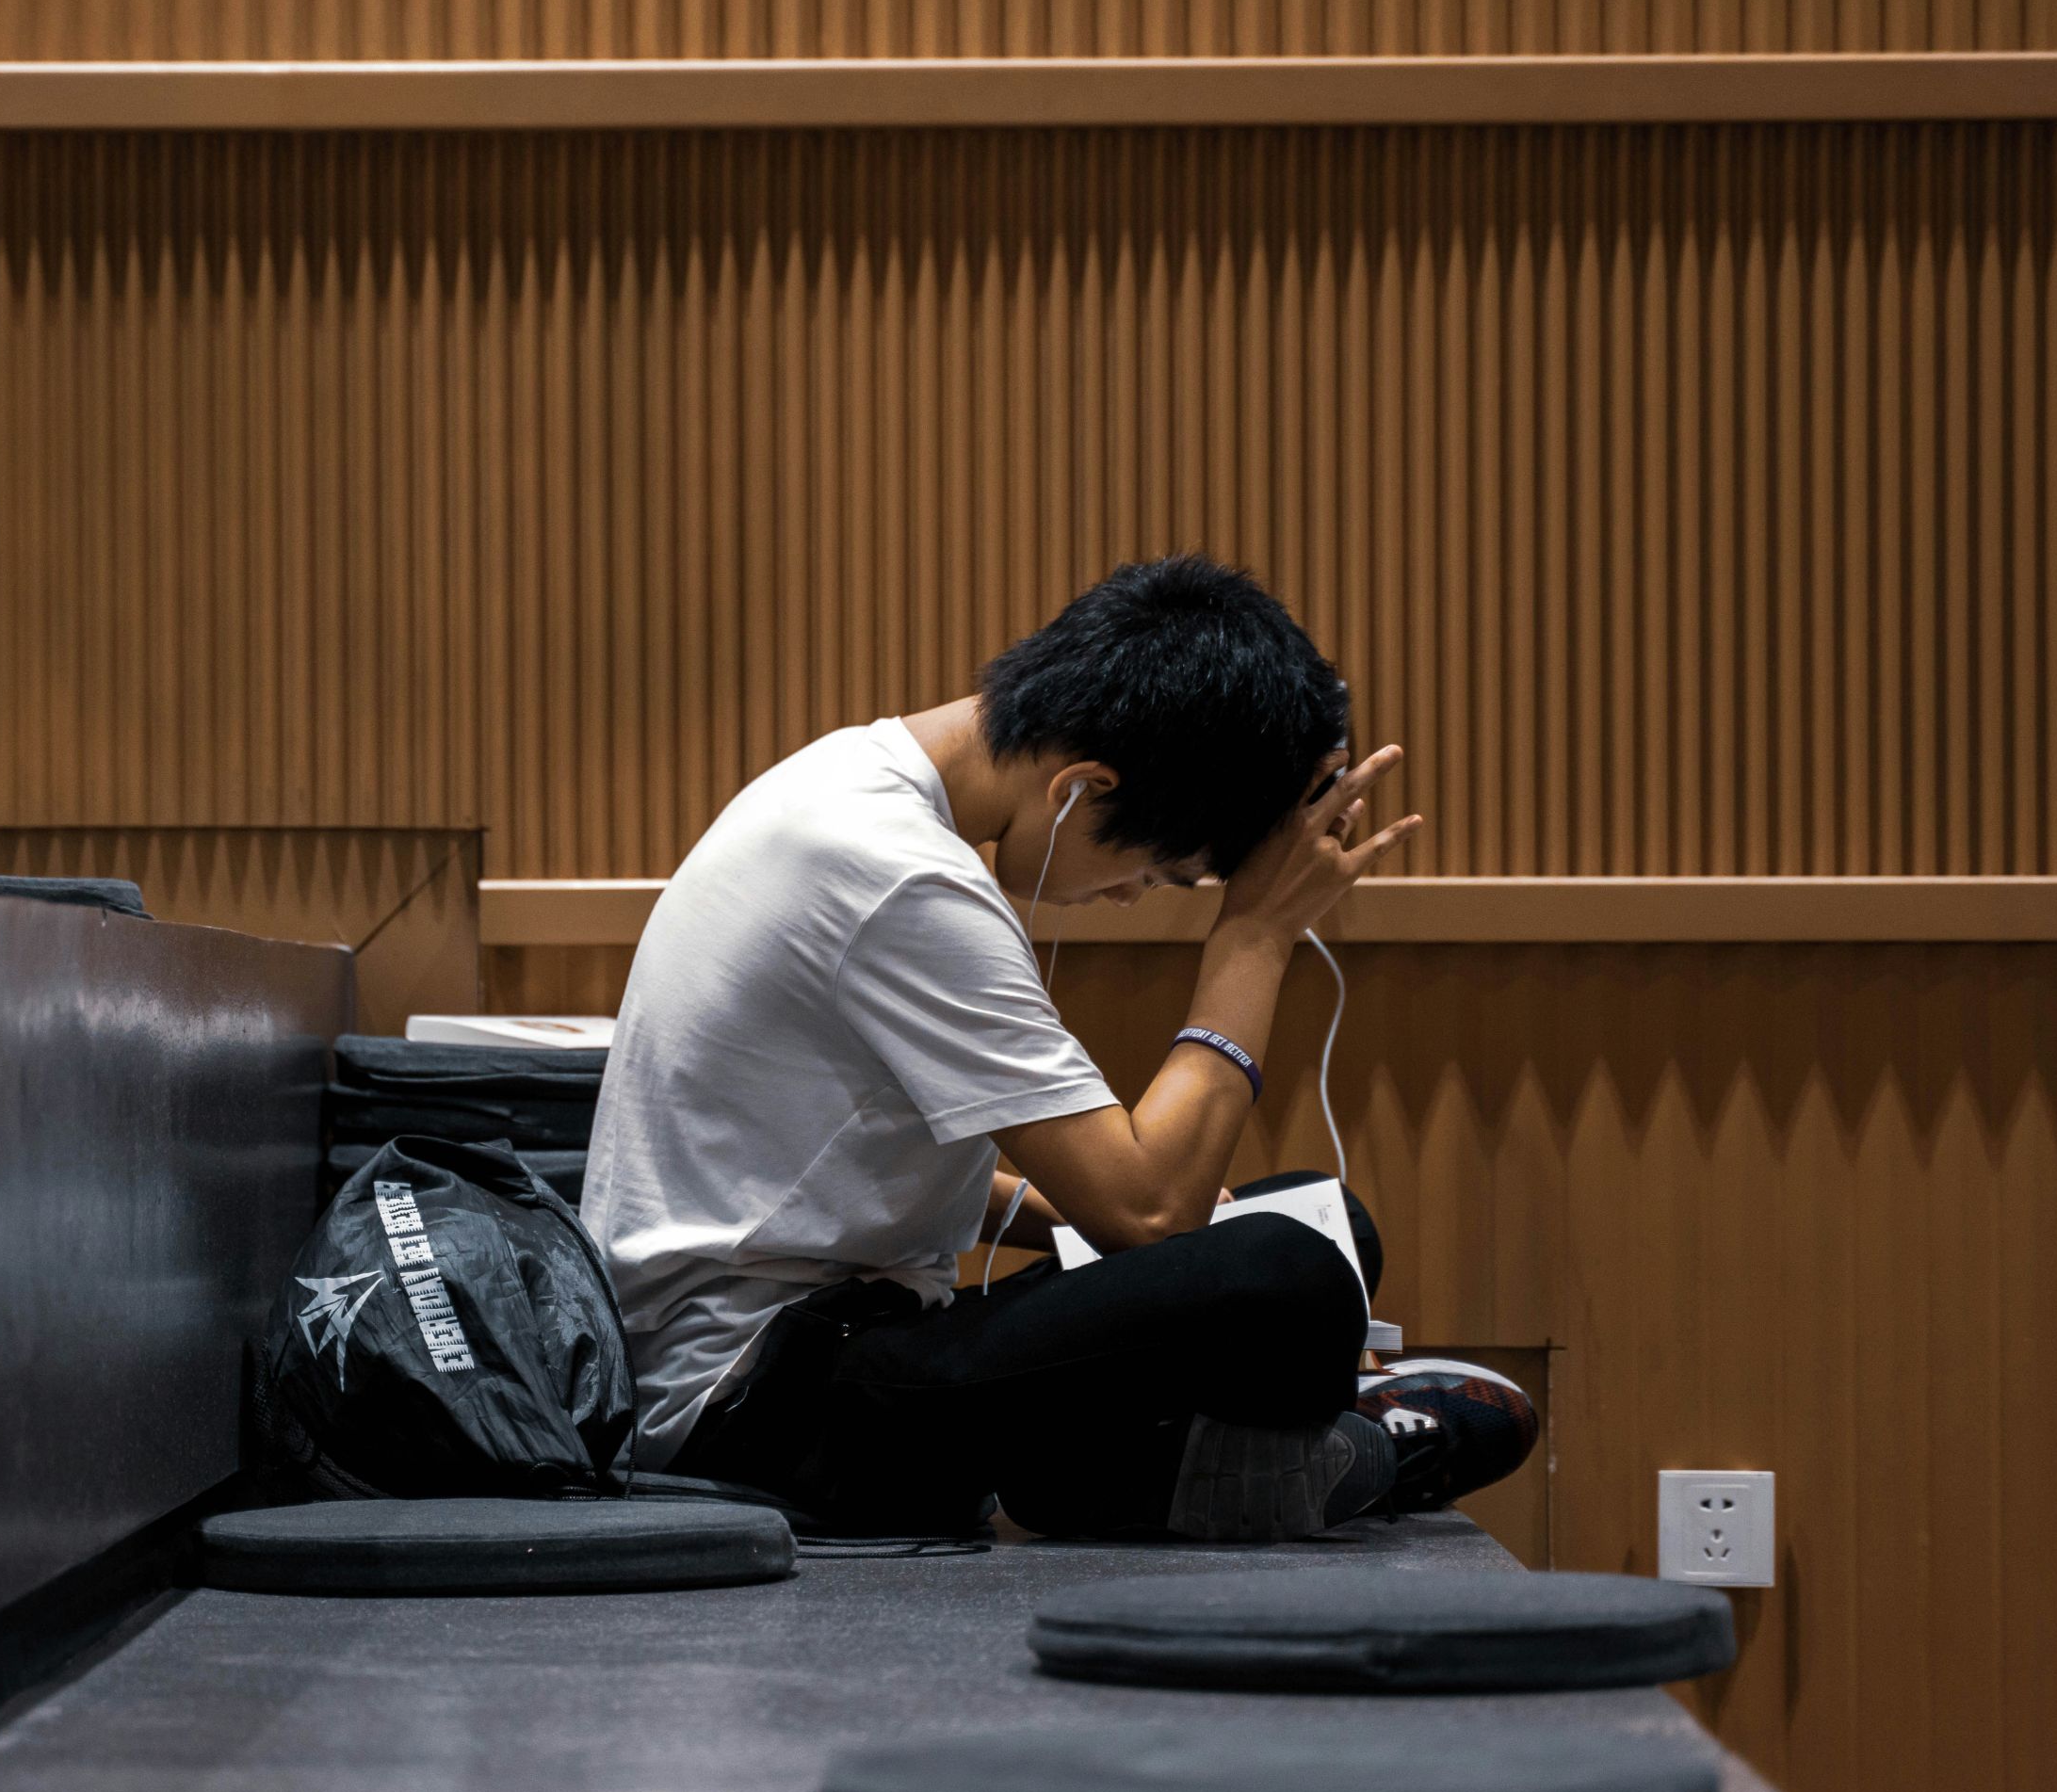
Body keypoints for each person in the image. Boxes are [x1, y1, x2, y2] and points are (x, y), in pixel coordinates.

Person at [580, 555, 1536, 1540]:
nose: (1129, 897)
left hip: (823, 1346)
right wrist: (1254, 937)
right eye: (1160, 870)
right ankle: (1300, 1460)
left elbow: (828, 1161)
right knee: (1286, 1274)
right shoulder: (899, 877)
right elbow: (1148, 1209)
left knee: (1328, 1219)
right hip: (753, 1413)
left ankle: (1142, 1473)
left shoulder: (847, 783)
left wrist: (1090, 1227)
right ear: (1085, 785)